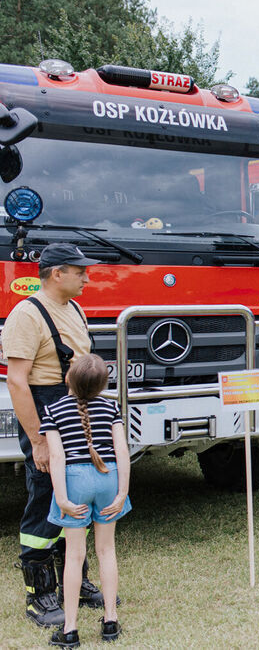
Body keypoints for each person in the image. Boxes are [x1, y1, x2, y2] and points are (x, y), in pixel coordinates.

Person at [1, 243, 105, 627]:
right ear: (57, 274)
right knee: (46, 495)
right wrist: (40, 442)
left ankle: (74, 583)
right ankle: (39, 593)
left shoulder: (73, 308)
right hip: (45, 412)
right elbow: (16, 381)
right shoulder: (27, 315)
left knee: (76, 492)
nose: (86, 276)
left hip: (73, 408)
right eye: (80, 271)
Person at [42, 354, 130, 647]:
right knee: (106, 550)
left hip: (74, 480)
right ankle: (110, 620)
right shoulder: (111, 407)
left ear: (68, 378)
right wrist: (121, 493)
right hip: (108, 476)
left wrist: (62, 498)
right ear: (104, 384)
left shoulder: (53, 410)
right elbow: (122, 452)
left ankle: (69, 629)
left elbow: (57, 456)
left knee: (74, 555)